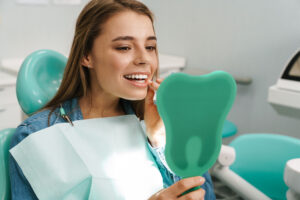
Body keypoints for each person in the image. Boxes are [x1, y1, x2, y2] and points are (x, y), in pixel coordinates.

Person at [9, 0, 216, 199]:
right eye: (124, 47)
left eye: (150, 47)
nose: (144, 59)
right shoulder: (36, 136)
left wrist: (160, 141)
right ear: (86, 56)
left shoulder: (167, 125)